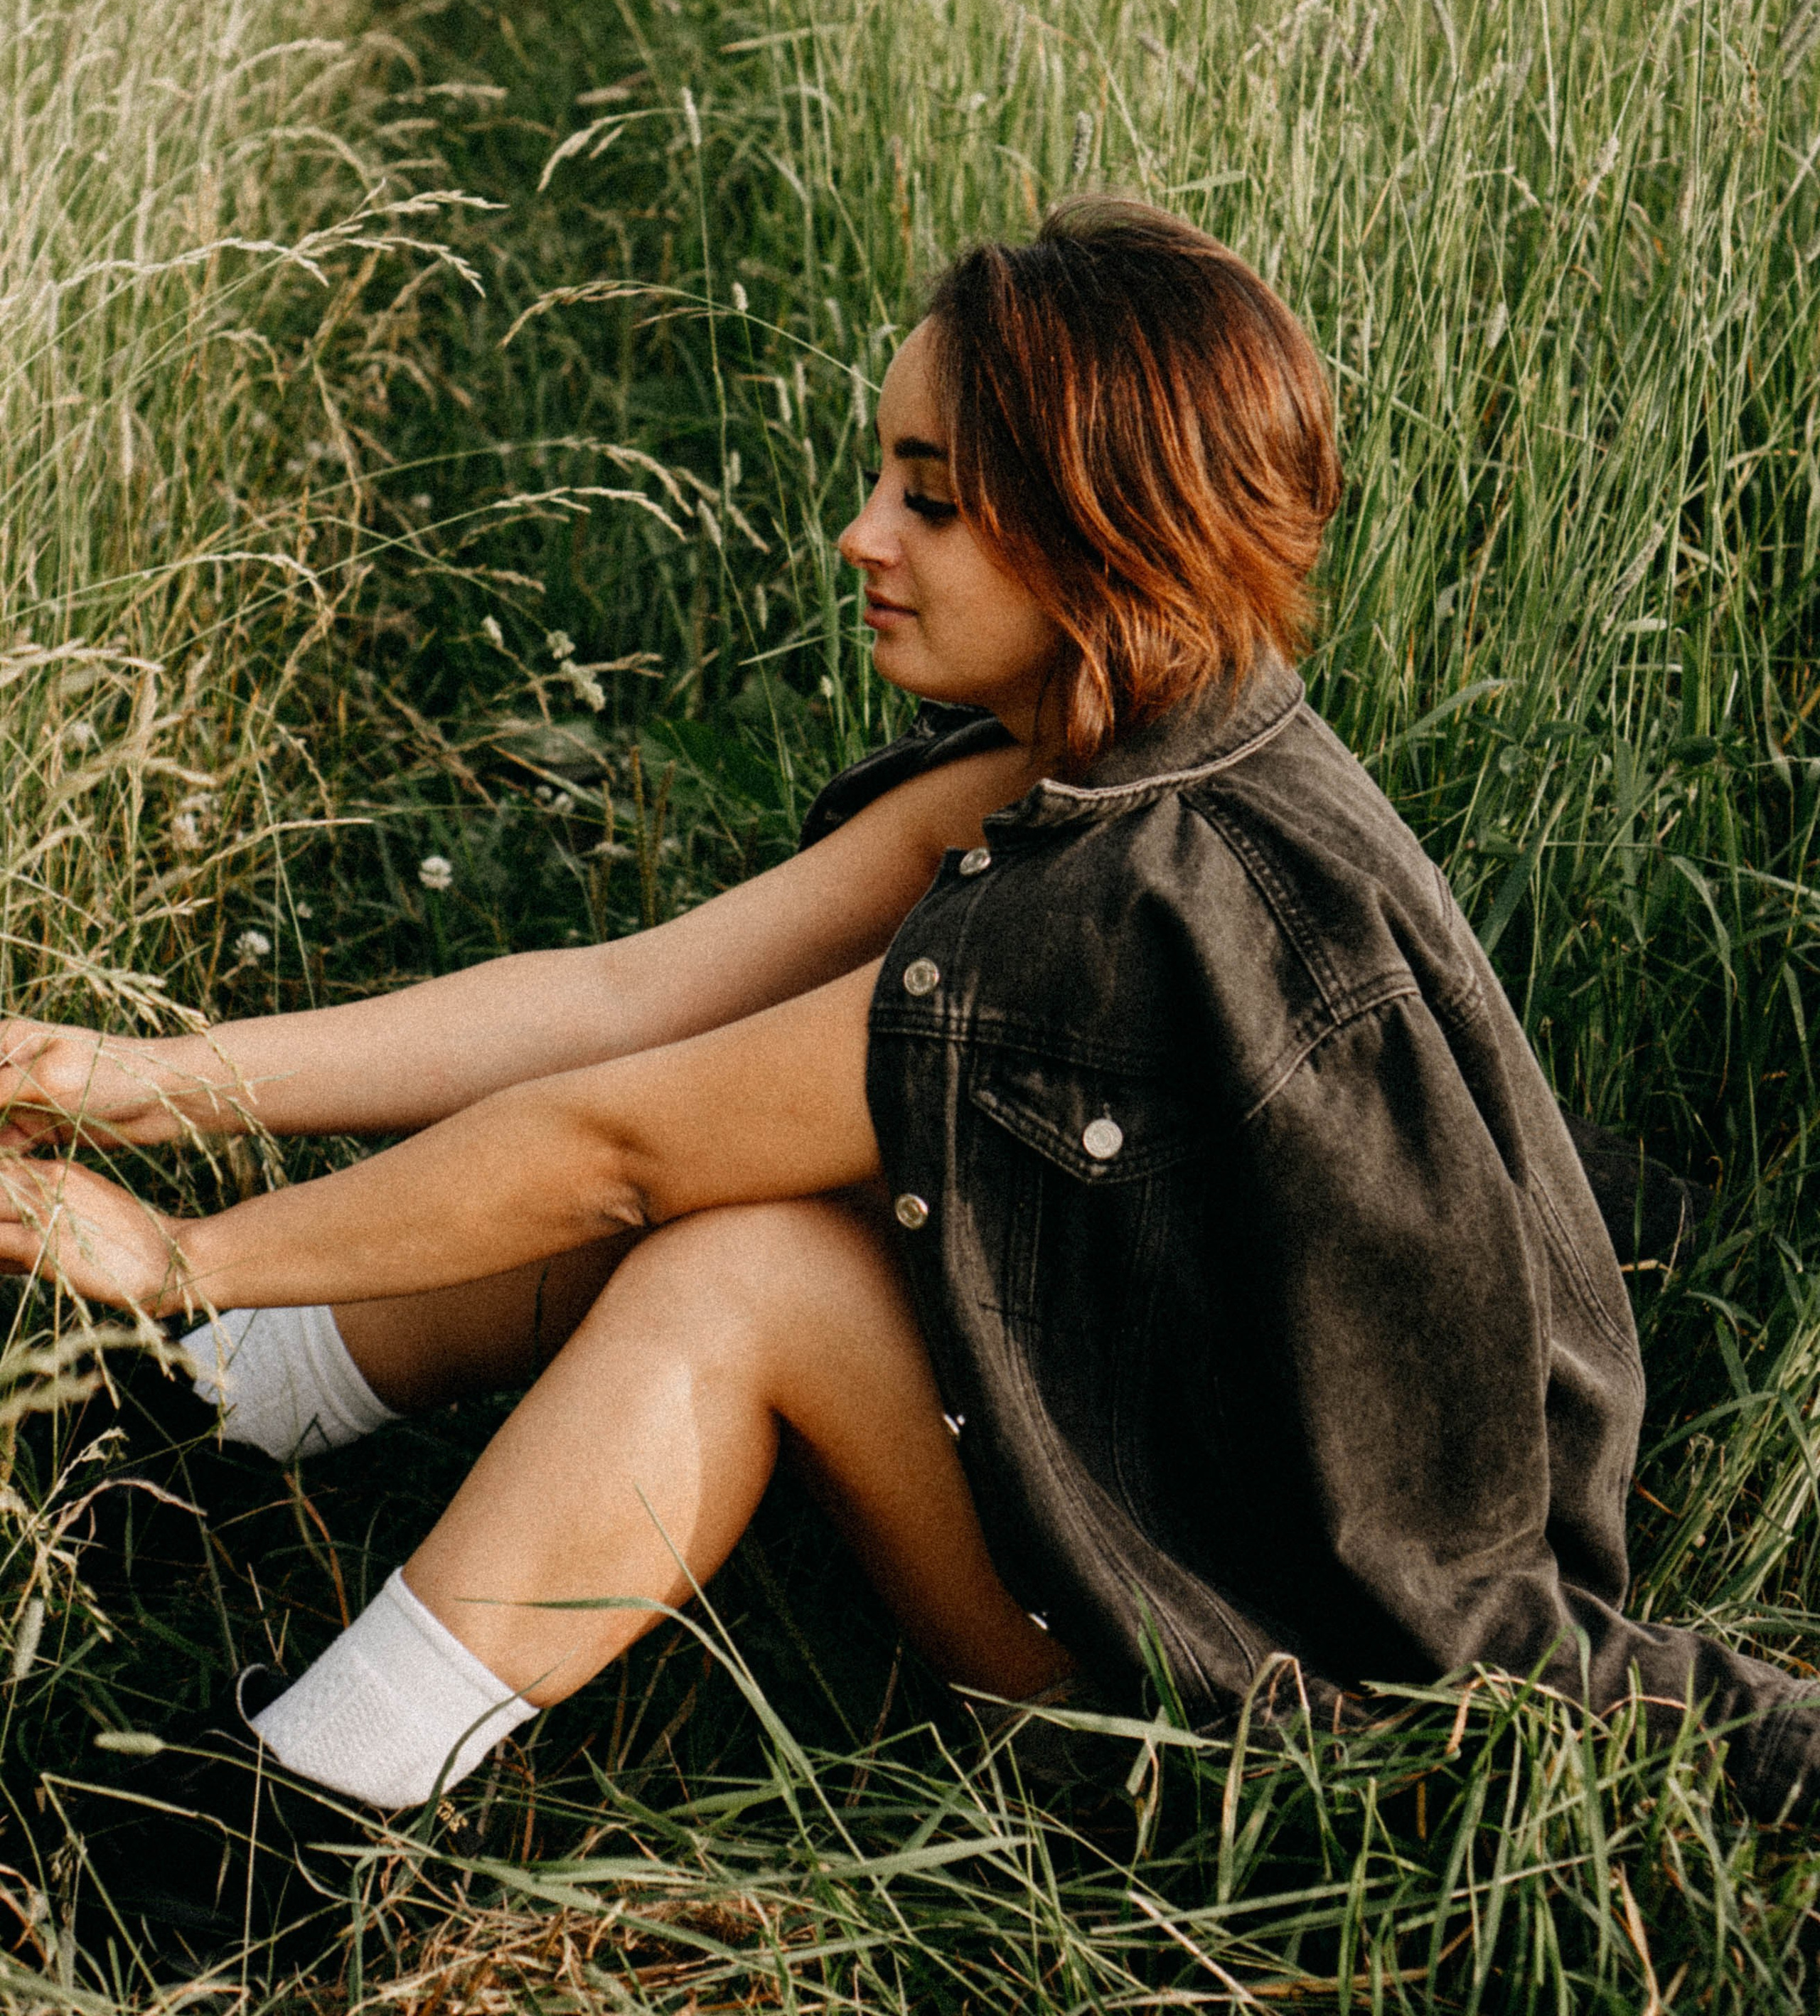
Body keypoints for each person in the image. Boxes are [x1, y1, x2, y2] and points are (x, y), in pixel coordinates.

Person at [1, 198, 1814, 1961]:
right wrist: (134, 1080)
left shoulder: (1135, 910)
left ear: (1110, 526)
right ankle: (210, 1419)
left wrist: (182, 1253)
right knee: (738, 1175)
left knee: (735, 1268)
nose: (865, 535)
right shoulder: (1135, 743)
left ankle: (273, 1839)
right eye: (884, 477)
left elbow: (615, 1148)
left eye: (932, 500)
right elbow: (626, 1001)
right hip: (1168, 1494)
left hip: (1249, 1718)